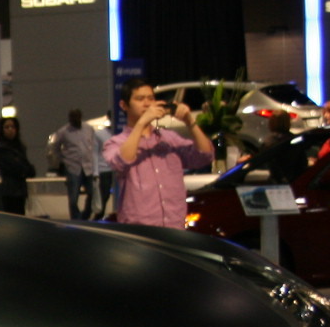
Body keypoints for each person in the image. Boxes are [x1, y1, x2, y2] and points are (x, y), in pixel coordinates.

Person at [103, 79, 212, 229]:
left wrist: (189, 121)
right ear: (124, 105)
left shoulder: (169, 138)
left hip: (174, 225)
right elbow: (122, 161)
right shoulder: (116, 143)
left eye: (151, 98)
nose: (147, 104)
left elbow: (205, 155)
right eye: (140, 99)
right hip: (140, 229)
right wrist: (142, 123)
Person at [50, 109, 101, 220]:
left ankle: (85, 215)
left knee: (92, 193)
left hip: (87, 167)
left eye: (76, 117)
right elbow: (55, 147)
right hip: (73, 167)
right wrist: (63, 159)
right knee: (73, 198)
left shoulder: (88, 129)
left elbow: (93, 147)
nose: (74, 119)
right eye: (72, 117)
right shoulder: (63, 132)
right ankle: (76, 218)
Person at [0, 117, 35, 215]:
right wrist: (24, 170)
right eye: (7, 127)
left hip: (21, 191)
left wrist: (24, 170)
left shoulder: (20, 147)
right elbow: (15, 169)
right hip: (9, 192)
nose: (10, 130)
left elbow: (30, 171)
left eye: (12, 127)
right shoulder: (1, 150)